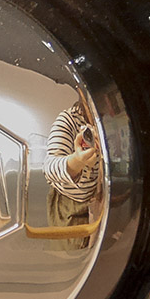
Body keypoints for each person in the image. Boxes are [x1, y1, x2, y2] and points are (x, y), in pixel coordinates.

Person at [43, 101, 101, 248]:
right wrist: (77, 160)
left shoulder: (106, 123)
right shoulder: (69, 119)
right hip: (70, 207)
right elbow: (49, 168)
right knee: (71, 255)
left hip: (100, 202)